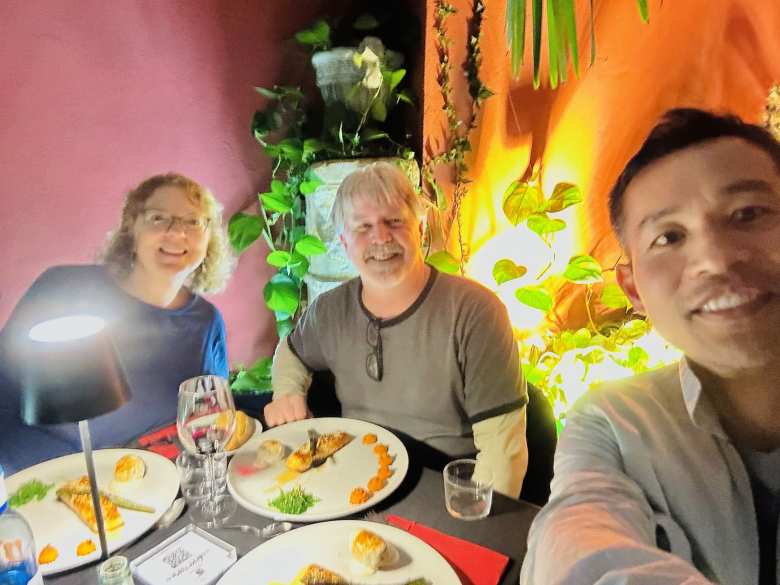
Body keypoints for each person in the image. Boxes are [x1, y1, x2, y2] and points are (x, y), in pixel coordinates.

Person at [520, 109, 780, 585]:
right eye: (669, 237)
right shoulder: (612, 423)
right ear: (633, 289)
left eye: (749, 214)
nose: (715, 259)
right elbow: (576, 539)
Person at [263, 161, 528, 497]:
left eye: (394, 221)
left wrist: (478, 529)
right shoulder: (329, 311)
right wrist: (287, 392)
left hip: (441, 486)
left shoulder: (475, 312)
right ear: (344, 244)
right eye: (363, 227)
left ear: (419, 227)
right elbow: (291, 352)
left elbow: (503, 455)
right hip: (353, 480)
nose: (381, 238)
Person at [0, 172, 234, 474]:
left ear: (208, 238)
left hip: (148, 483)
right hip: (41, 475)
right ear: (131, 227)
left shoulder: (206, 322)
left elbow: (209, 417)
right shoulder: (62, 288)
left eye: (193, 221)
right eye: (158, 218)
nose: (177, 233)